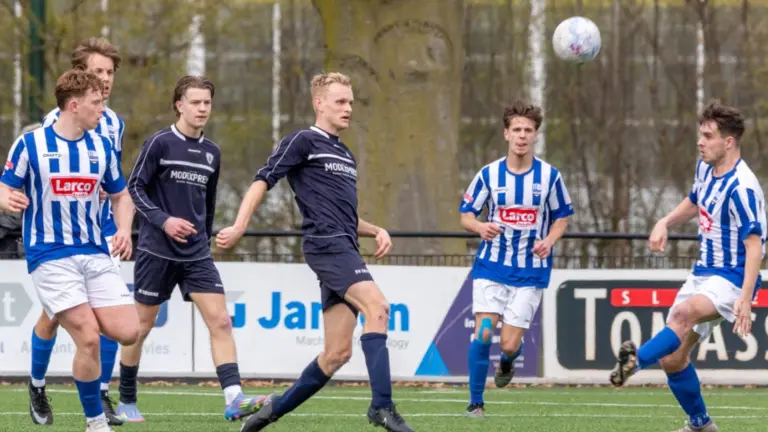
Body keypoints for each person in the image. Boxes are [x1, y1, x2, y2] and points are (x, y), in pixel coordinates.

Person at [216, 72, 413, 432]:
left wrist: (375, 230)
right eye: (340, 101)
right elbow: (263, 181)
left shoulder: (345, 154)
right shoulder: (303, 141)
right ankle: (382, 407)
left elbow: (346, 215)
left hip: (345, 244)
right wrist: (240, 225)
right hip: (327, 246)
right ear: (319, 103)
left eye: (351, 102)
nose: (348, 108)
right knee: (378, 308)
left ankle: (270, 411)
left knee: (337, 354)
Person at [610, 101, 765, 432]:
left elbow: (755, 246)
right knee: (673, 358)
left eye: (708, 136)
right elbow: (695, 201)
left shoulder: (743, 187)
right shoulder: (705, 168)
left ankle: (634, 361)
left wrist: (746, 297)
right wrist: (664, 221)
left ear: (729, 142)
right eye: (701, 134)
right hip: (703, 273)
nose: (700, 141)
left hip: (733, 278)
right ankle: (701, 424)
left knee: (682, 315)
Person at [117, 75, 264, 423]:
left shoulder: (212, 152)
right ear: (179, 105)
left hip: (197, 254)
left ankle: (234, 398)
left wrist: (213, 236)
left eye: (207, 103)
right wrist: (164, 220)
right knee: (139, 327)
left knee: (222, 321)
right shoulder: (159, 144)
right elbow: (134, 189)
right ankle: (125, 399)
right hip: (157, 251)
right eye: (195, 102)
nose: (202, 109)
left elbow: (208, 203)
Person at [0, 69, 139, 432]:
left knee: (127, 331)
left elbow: (121, 195)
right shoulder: (30, 144)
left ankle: (51, 366)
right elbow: (3, 187)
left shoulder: (101, 146)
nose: (102, 109)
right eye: (96, 102)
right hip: (50, 254)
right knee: (89, 338)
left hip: (95, 253)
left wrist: (123, 228)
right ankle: (95, 422)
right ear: (74, 105)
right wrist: (7, 199)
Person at [31, 37, 127, 426]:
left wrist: (121, 223)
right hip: (58, 238)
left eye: (109, 73)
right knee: (53, 317)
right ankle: (37, 385)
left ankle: (100, 395)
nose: (104, 80)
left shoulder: (114, 122)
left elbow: (114, 179)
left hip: (99, 230)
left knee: (107, 318)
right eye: (97, 72)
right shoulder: (55, 123)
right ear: (79, 77)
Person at [459, 100, 573, 417]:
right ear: (506, 134)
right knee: (483, 332)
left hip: (530, 271)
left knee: (508, 345)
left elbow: (562, 216)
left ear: (535, 135)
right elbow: (466, 214)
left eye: (528, 130)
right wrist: (480, 226)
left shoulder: (550, 177)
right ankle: (475, 403)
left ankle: (508, 361)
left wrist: (549, 240)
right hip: (491, 265)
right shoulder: (489, 175)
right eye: (517, 130)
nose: (522, 136)